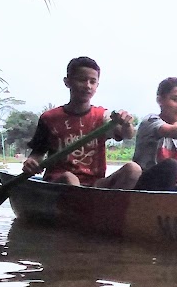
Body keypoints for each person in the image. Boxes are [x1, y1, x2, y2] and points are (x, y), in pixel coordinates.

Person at [22, 56, 140, 188]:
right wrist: (31, 163)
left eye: (92, 82)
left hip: (94, 185)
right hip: (59, 182)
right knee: (70, 178)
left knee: (133, 169)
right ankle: (86, 206)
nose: (88, 86)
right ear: (67, 82)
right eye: (82, 80)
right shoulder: (49, 118)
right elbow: (37, 154)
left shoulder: (102, 117)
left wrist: (126, 123)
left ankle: (112, 207)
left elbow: (127, 134)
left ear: (97, 85)